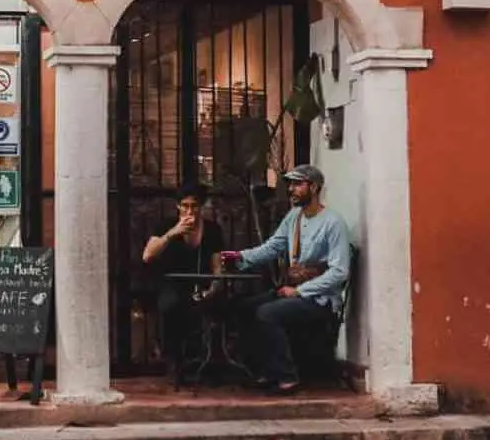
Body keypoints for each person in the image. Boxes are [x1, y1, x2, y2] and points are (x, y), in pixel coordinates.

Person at [221, 164, 351, 394]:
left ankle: (287, 377)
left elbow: (339, 272)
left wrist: (301, 291)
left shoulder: (333, 223)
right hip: (293, 291)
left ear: (314, 187)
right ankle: (264, 371)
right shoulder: (294, 217)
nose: (292, 189)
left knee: (267, 313)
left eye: (298, 184)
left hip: (319, 300)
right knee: (244, 307)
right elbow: (273, 247)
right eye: (290, 184)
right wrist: (241, 257)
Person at [142, 183, 225, 380]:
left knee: (217, 306)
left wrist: (214, 287)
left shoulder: (212, 230)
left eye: (194, 206)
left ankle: (208, 359)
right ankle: (173, 360)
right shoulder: (166, 226)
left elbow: (217, 267)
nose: (190, 211)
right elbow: (147, 256)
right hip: (173, 283)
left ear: (201, 206)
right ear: (178, 206)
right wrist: (173, 233)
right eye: (185, 206)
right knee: (171, 305)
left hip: (202, 282)